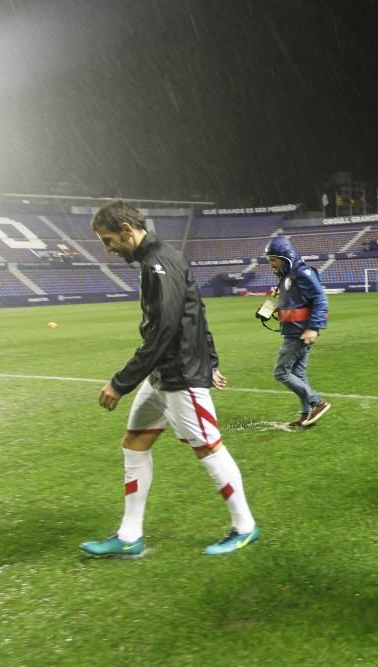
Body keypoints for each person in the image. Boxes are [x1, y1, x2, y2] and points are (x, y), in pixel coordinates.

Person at [82, 200, 258, 557]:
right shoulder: (156, 259)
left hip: (179, 376)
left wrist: (121, 382)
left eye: (108, 240)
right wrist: (211, 360)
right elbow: (197, 311)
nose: (108, 248)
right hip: (163, 375)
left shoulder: (159, 262)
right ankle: (129, 536)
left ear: (128, 231)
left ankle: (245, 527)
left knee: (209, 448)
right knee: (134, 443)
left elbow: (164, 330)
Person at [264, 236, 331, 427]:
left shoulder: (303, 273)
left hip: (300, 333)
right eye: (269, 261)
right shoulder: (286, 277)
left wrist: (314, 328)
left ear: (286, 257)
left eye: (273, 260)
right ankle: (306, 415)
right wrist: (269, 311)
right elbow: (290, 303)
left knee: (281, 373)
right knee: (298, 374)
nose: (271, 265)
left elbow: (320, 299)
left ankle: (317, 403)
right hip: (293, 332)